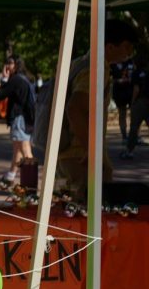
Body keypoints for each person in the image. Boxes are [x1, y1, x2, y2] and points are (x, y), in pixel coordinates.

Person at [58, 19, 138, 196]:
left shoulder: (80, 62)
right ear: (109, 47)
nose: (129, 52)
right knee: (87, 215)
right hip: (80, 156)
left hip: (71, 153)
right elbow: (74, 108)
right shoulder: (96, 68)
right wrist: (91, 150)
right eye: (126, 46)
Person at [0, 55, 36, 183]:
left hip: (19, 118)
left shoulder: (16, 80)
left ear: (17, 64)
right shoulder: (26, 79)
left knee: (25, 149)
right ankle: (10, 176)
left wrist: (4, 79)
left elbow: (0, 95)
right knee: (18, 148)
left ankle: (30, 184)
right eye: (7, 63)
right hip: (26, 118)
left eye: (10, 63)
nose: (7, 66)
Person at [120, 58, 148, 160]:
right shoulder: (147, 72)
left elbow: (136, 89)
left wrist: (132, 102)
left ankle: (129, 151)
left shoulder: (136, 73)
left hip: (139, 102)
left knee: (134, 127)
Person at [112, 59, 135, 142]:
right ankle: (124, 136)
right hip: (119, 93)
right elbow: (110, 78)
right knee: (122, 113)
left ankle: (134, 135)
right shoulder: (113, 64)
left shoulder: (129, 62)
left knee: (134, 114)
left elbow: (133, 75)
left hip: (130, 91)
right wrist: (118, 81)